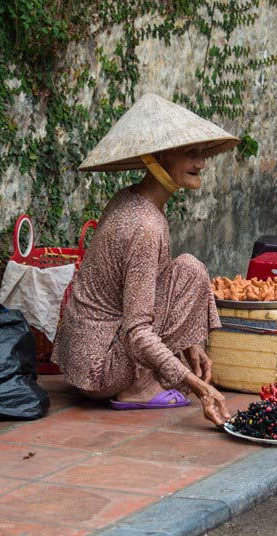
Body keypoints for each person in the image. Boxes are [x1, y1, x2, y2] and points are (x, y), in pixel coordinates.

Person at [53, 93, 240, 427]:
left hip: (83, 356)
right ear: (158, 157)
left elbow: (155, 287)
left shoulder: (132, 198)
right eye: (190, 153)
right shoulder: (145, 226)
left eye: (201, 153)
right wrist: (195, 386)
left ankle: (142, 379)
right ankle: (138, 388)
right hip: (98, 369)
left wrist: (190, 345)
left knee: (188, 270)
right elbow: (138, 330)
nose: (201, 164)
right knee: (190, 272)